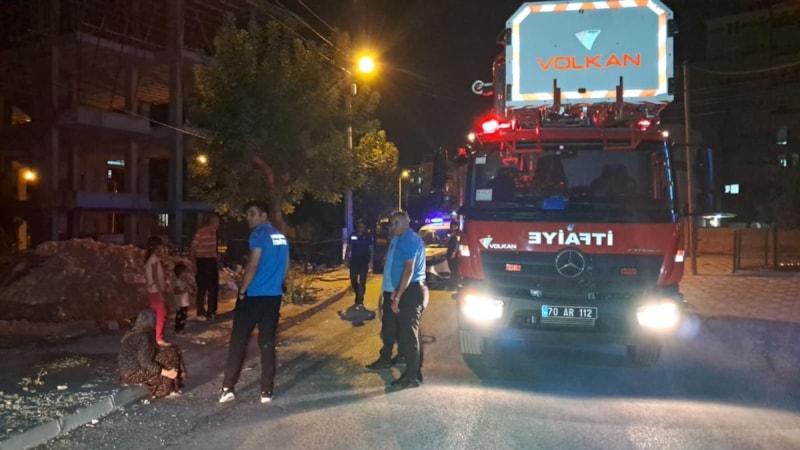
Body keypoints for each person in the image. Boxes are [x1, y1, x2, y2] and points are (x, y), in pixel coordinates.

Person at [219, 201, 289, 404]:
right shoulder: (281, 237)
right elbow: (286, 264)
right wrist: (278, 283)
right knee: (267, 342)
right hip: (273, 297)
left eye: (252, 214)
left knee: (238, 342)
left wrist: (242, 291)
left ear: (263, 216)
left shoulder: (258, 235)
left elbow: (253, 265)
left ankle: (228, 387)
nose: (248, 218)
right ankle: (266, 391)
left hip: (254, 296)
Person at [388, 210, 428, 389]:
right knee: (412, 333)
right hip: (409, 289)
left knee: (409, 336)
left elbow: (408, 270)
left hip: (411, 291)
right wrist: (396, 290)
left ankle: (411, 377)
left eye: (396, 223)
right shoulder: (409, 238)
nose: (393, 227)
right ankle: (414, 371)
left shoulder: (407, 241)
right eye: (392, 223)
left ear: (406, 223)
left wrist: (397, 297)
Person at [119, 310, 186, 398]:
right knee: (170, 354)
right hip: (133, 375)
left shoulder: (134, 333)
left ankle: (172, 384)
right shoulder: (144, 336)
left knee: (169, 351)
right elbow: (146, 362)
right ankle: (165, 389)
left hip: (128, 373)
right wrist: (166, 373)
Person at [364, 221, 404, 371]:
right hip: (389, 289)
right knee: (393, 325)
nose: (389, 230)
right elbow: (387, 261)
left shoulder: (402, 243)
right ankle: (401, 356)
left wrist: (396, 291)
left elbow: (404, 269)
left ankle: (387, 357)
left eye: (392, 226)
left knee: (390, 326)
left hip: (393, 291)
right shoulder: (394, 242)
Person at [190, 214, 220, 320]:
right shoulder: (201, 232)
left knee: (213, 287)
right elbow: (193, 249)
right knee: (202, 287)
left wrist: (215, 256)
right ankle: (200, 312)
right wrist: (194, 263)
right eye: (217, 222)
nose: (218, 225)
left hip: (211, 260)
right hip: (201, 261)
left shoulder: (214, 232)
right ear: (212, 222)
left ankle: (212, 311)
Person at [144, 236, 170, 346]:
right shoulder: (154, 259)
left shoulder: (150, 259)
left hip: (152, 291)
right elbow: (155, 277)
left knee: (155, 315)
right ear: (156, 246)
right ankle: (158, 338)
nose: (162, 248)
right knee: (160, 315)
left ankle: (154, 337)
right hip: (156, 291)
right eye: (160, 245)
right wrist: (161, 293)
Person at [344, 219, 374, 308]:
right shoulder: (353, 235)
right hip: (354, 260)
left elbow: (371, 250)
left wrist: (371, 261)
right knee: (353, 278)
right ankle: (358, 293)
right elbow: (349, 247)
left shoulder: (368, 236)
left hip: (364, 261)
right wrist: (346, 258)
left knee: (362, 280)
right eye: (359, 226)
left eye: (362, 226)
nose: (361, 228)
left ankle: (360, 299)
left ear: (364, 227)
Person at [172, 263, 196, 335]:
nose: (186, 274)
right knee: (180, 317)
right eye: (184, 272)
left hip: (185, 303)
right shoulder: (178, 282)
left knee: (183, 317)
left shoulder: (184, 281)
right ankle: (178, 330)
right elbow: (176, 291)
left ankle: (181, 330)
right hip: (180, 303)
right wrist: (185, 290)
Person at [445, 220, 461, 292]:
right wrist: (451, 236)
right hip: (449, 253)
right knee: (452, 270)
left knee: (454, 271)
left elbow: (458, 243)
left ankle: (454, 286)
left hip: (455, 254)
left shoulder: (458, 234)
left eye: (454, 227)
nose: (453, 228)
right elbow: (445, 241)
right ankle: (452, 285)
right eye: (452, 227)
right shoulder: (449, 233)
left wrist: (454, 253)